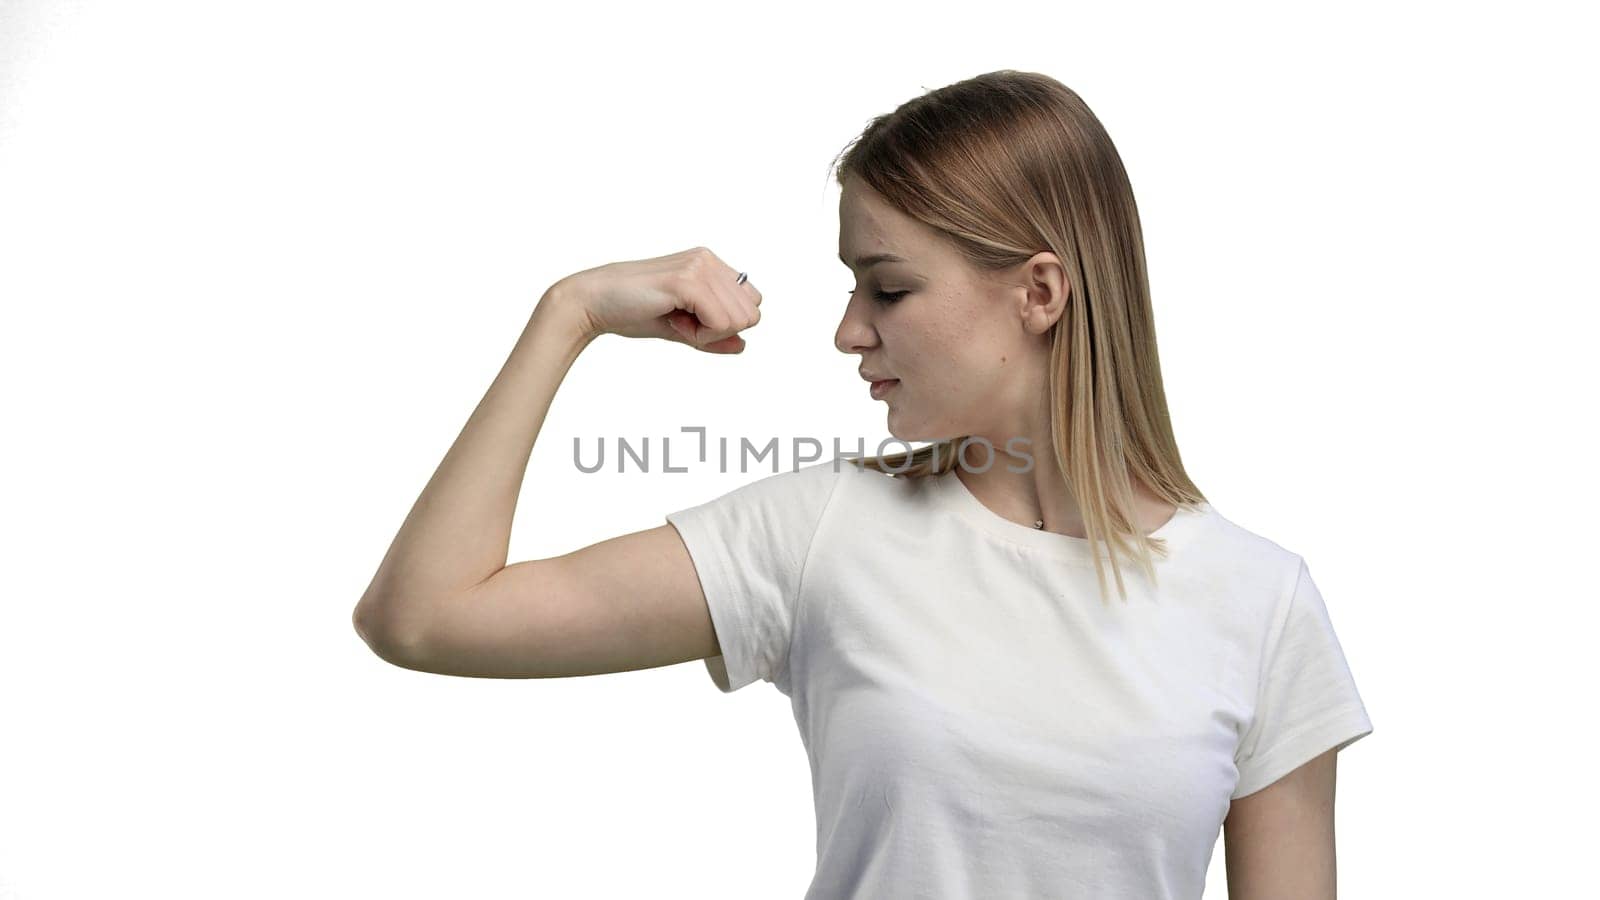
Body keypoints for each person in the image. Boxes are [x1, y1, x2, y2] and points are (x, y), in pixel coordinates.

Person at [352, 70, 1373, 899]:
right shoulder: (824, 529)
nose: (848, 331)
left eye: (887, 288)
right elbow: (426, 617)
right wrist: (567, 312)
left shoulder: (1260, 603)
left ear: (1040, 292)